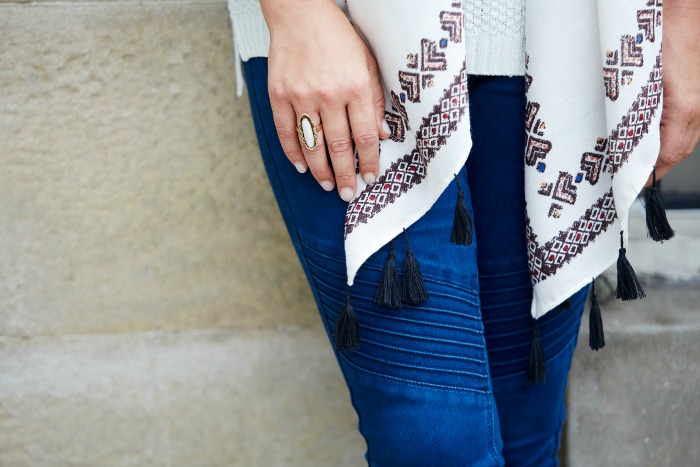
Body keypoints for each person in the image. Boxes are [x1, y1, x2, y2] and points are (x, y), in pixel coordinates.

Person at [228, 0, 699, 465]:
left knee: (526, 442)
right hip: (343, 39)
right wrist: (297, 13)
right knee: (434, 443)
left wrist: (685, 15)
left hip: (559, 38)